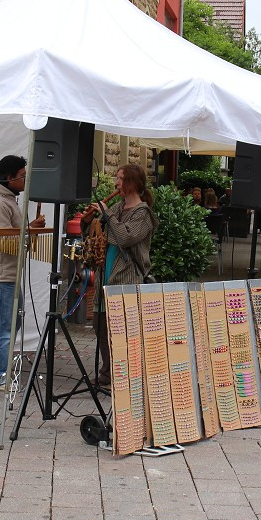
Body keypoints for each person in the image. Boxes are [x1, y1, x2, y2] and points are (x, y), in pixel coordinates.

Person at [82, 163, 158, 386]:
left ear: (132, 183)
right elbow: (98, 231)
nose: (116, 183)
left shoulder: (143, 214)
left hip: (126, 278)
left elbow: (124, 237)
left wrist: (106, 214)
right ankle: (107, 372)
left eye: (120, 179)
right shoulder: (118, 208)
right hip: (106, 275)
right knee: (100, 324)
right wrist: (90, 220)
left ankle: (126, 374)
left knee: (122, 330)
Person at [0, 155, 45, 391]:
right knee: (2, 328)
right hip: (1, 275)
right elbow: (4, 241)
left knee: (9, 325)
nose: (26, 180)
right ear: (9, 178)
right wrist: (30, 231)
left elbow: (11, 236)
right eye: (23, 176)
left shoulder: (7, 200)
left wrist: (29, 231)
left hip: (9, 275)